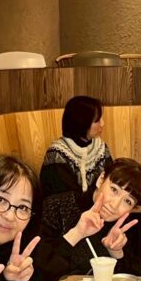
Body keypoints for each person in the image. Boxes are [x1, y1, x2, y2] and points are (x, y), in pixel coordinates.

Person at [36, 156, 141, 281]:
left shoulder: (124, 225)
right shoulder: (56, 206)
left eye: (128, 201)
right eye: (114, 190)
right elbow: (40, 274)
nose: (114, 205)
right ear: (101, 180)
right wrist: (76, 233)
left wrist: (117, 253)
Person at [40, 95, 112, 233]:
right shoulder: (57, 154)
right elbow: (63, 200)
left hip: (99, 216)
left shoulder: (101, 148)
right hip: (66, 225)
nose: (103, 124)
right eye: (97, 120)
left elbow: (111, 179)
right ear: (82, 123)